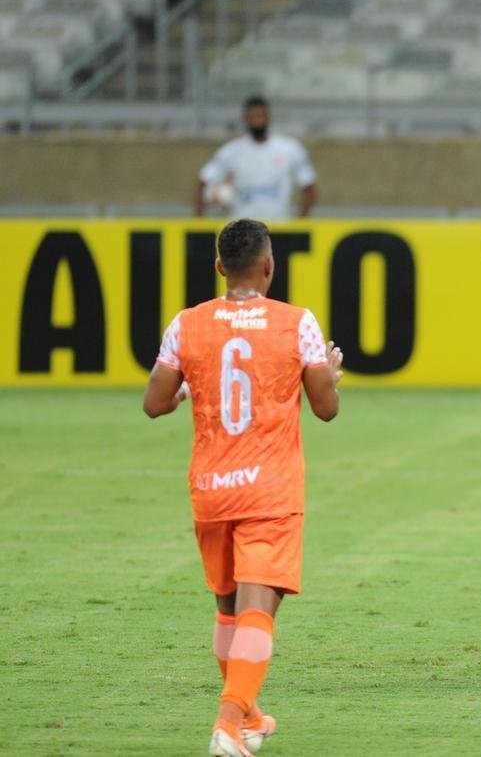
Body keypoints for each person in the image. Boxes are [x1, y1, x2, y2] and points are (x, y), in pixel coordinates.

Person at [143, 218, 343, 755]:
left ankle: (250, 716)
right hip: (269, 488)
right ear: (269, 266)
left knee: (228, 608)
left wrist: (186, 392)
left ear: (219, 268)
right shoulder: (297, 323)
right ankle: (229, 724)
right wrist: (329, 376)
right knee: (258, 607)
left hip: (211, 485)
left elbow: (154, 403)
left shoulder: (186, 324)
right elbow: (325, 409)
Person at [194, 96, 317, 221]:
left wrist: (301, 224)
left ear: (268, 116)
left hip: (277, 227)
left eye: (260, 116)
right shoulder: (231, 151)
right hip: (242, 228)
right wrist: (199, 225)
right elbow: (201, 184)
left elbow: (309, 188)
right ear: (245, 119)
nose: (257, 121)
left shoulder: (291, 149)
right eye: (252, 117)